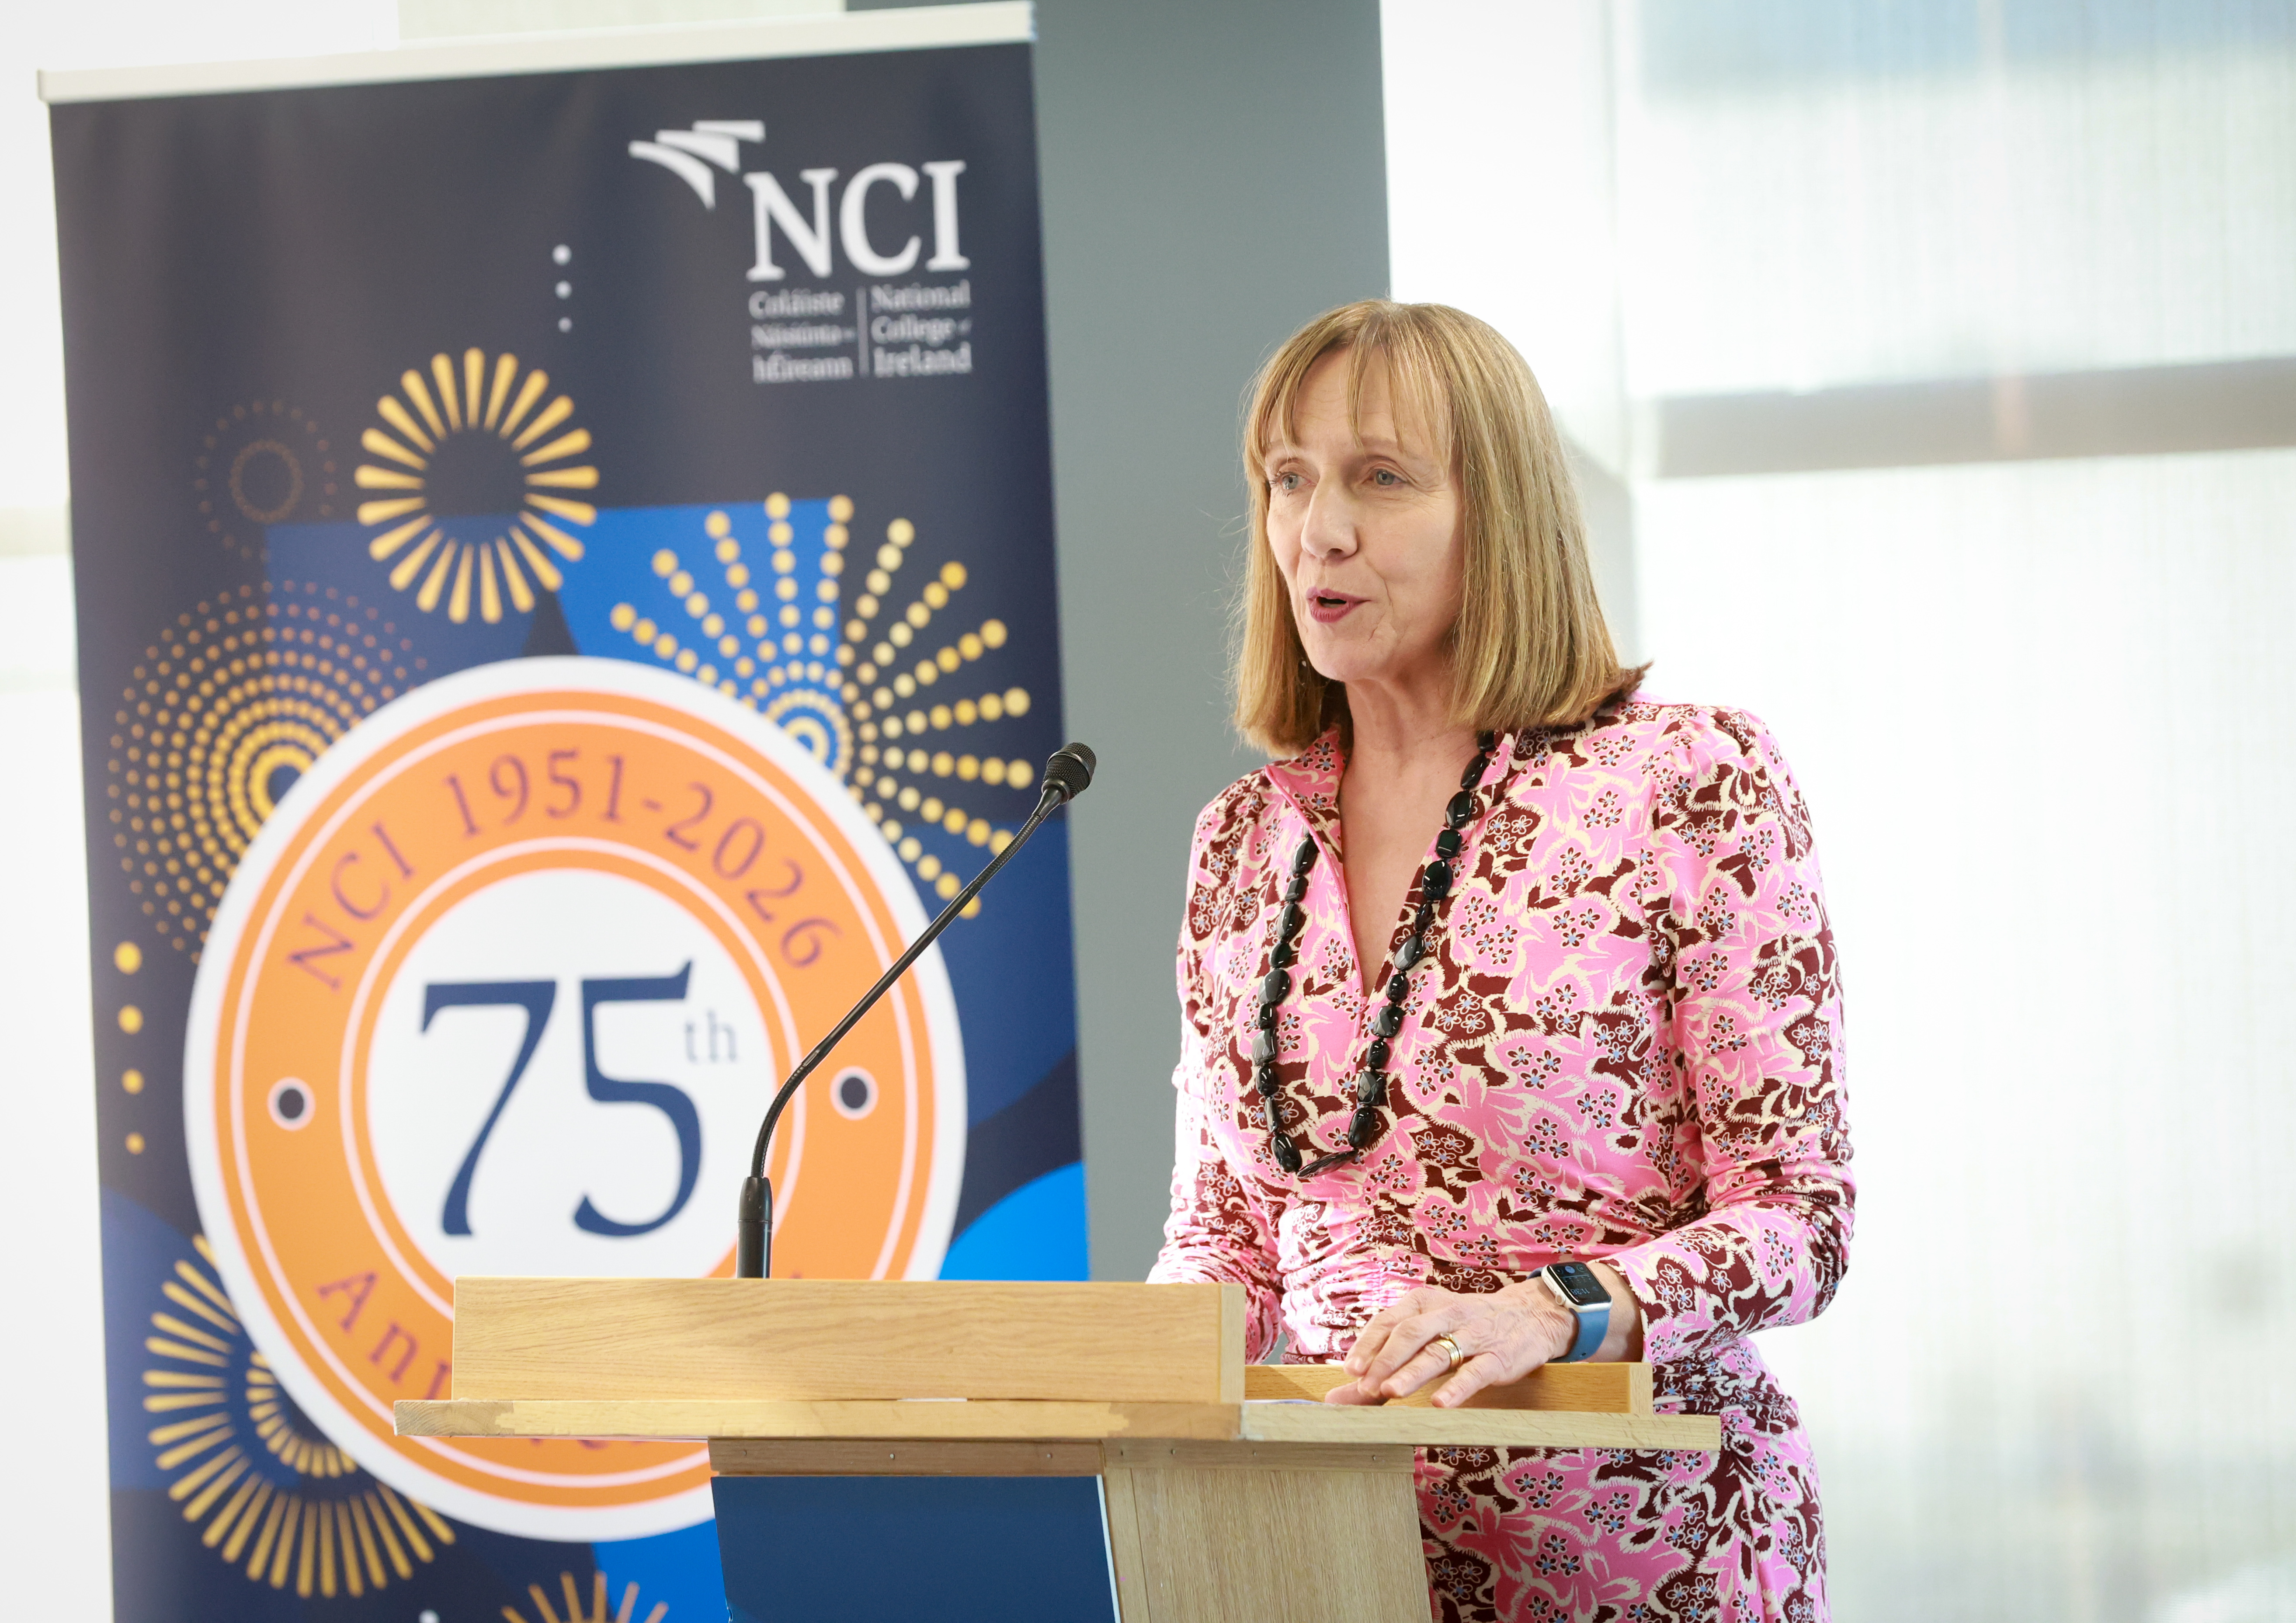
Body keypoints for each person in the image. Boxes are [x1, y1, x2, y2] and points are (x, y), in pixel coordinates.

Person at [1146, 300, 1852, 1621]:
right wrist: (1087, 1367)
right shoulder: (1242, 844)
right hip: (1318, 1564)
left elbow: (1801, 1217)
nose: (1318, 530)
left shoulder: (1685, 782)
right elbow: (1229, 1236)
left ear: (1503, 511)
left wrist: (1549, 1310)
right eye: (1287, 479)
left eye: (1380, 477)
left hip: (1642, 1567)